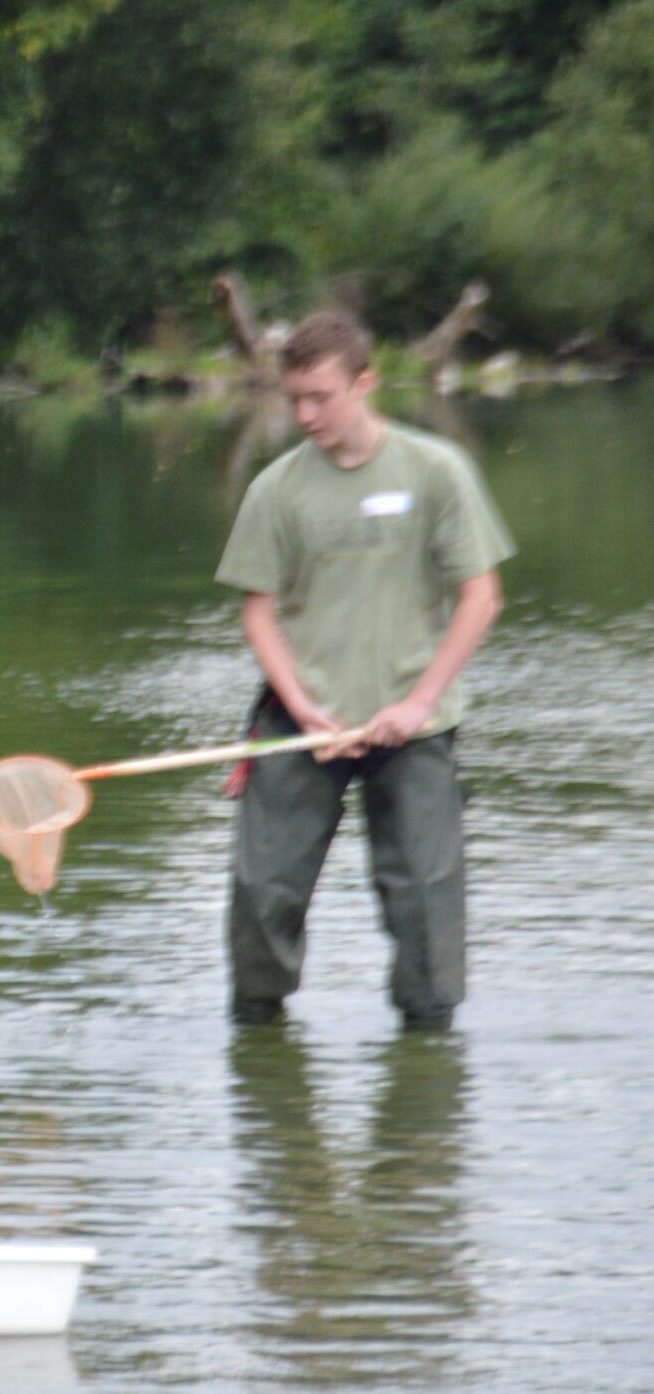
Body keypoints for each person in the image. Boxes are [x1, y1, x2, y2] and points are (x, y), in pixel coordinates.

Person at [216, 310, 514, 1030]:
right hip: (300, 724)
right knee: (262, 894)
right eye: (293, 399)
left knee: (424, 898)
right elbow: (258, 613)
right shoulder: (276, 489)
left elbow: (481, 596)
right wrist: (304, 708)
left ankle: (427, 1052)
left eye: (321, 396)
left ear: (365, 383)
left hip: (412, 726)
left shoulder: (436, 470)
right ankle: (259, 1034)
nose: (304, 414)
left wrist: (419, 703)